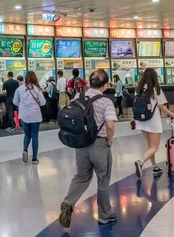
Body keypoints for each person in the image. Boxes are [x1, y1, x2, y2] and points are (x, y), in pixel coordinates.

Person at [59, 69, 118, 228]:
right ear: (105, 85)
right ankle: (105, 214)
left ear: (90, 83)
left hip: (80, 144)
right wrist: (109, 140)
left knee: (81, 177)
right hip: (99, 144)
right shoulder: (106, 102)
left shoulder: (78, 97)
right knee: (103, 178)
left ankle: (68, 202)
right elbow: (110, 125)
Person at [133, 68, 174, 179]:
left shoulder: (138, 89)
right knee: (154, 147)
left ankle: (155, 167)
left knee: (149, 145)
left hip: (141, 121)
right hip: (152, 121)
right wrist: (173, 115)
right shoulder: (155, 89)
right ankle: (140, 162)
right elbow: (161, 106)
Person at [13, 71, 47, 165]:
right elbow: (43, 102)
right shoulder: (37, 89)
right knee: (35, 136)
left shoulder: (19, 89)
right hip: (35, 115)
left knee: (27, 135)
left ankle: (25, 150)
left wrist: (22, 103)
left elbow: (15, 102)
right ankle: (34, 159)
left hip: (24, 115)